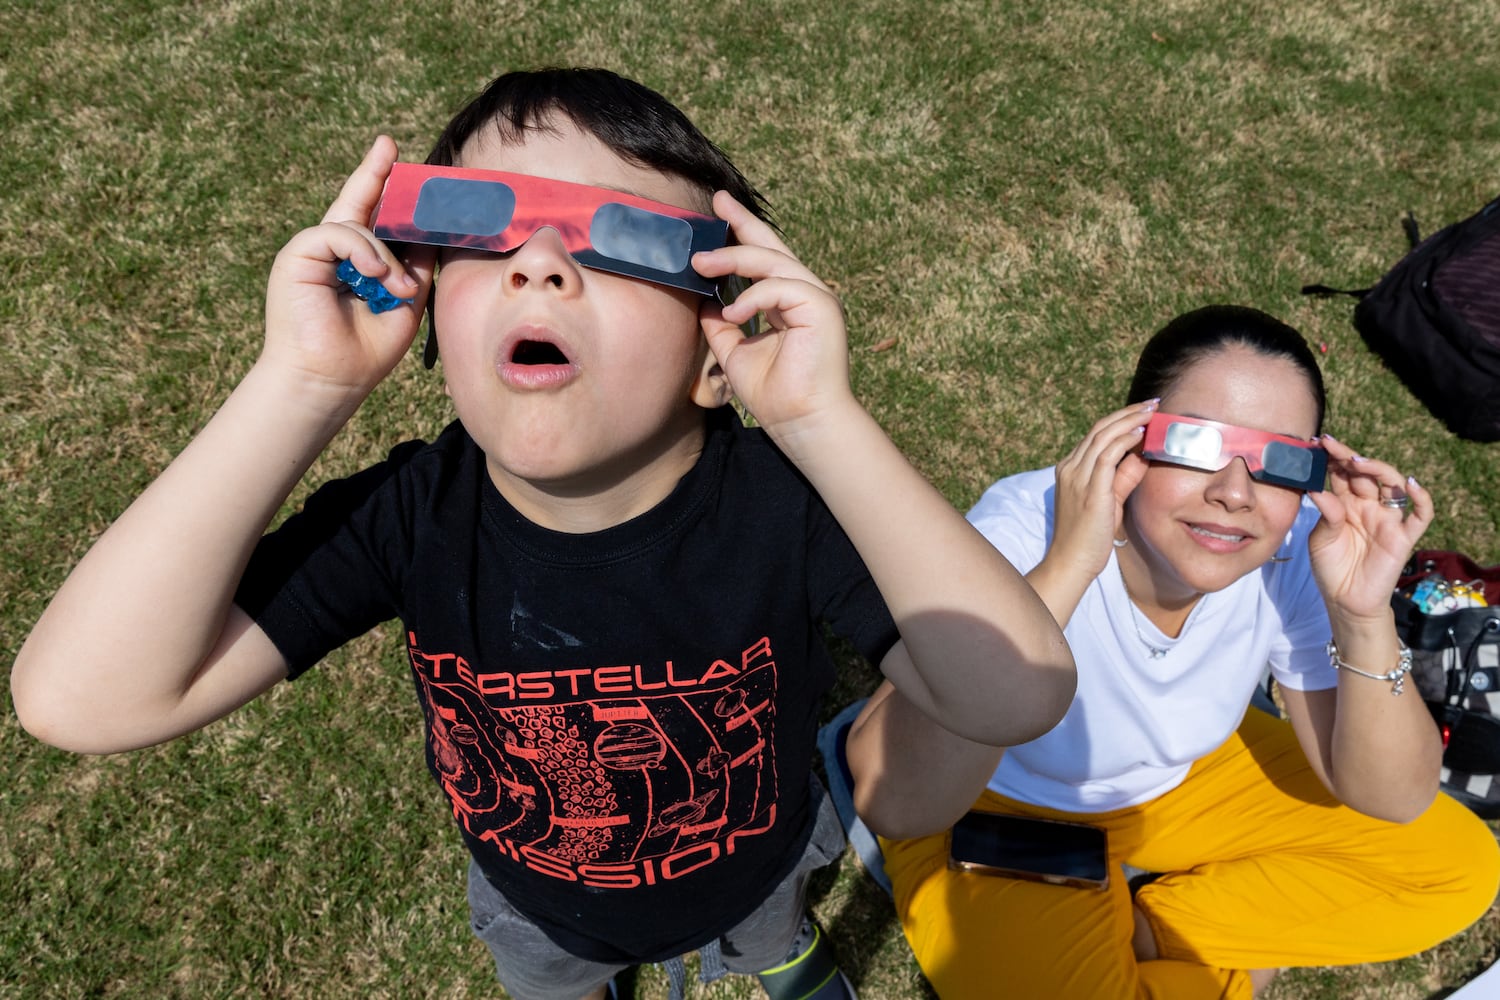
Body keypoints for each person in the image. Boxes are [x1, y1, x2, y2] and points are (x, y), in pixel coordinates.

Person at [10, 68, 1076, 1000]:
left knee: (765, 928)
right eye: (480, 227)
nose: (540, 265)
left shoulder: (788, 501)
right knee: (551, 979)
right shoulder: (411, 517)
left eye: (625, 238)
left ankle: (778, 955)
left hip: (755, 862)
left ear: (719, 352)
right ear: (429, 307)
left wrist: (818, 419)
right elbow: (80, 699)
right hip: (535, 905)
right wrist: (300, 384)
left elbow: (1014, 692)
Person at [846, 305, 1500, 999]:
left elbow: (1392, 798)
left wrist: (1363, 614)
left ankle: (1144, 932)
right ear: (1129, 439)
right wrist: (1069, 564)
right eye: (1195, 443)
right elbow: (898, 801)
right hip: (992, 804)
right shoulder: (1023, 525)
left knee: (1455, 867)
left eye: (1281, 461)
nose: (1235, 494)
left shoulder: (1294, 544)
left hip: (1177, 780)